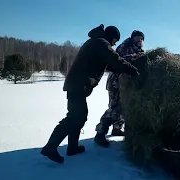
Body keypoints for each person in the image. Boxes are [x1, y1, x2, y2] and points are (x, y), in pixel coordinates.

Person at [40, 24, 140, 164]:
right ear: (112, 37)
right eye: (115, 41)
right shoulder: (101, 43)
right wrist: (134, 71)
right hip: (78, 85)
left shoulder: (97, 41)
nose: (114, 44)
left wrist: (125, 69)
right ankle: (50, 147)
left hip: (78, 85)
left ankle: (72, 147)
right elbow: (115, 60)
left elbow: (110, 64)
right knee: (74, 117)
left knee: (79, 117)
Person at [94, 30, 145, 147]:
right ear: (132, 38)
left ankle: (117, 128)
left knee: (124, 106)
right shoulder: (125, 46)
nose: (140, 40)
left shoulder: (139, 50)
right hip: (115, 82)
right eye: (138, 38)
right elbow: (121, 59)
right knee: (115, 108)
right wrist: (140, 57)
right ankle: (100, 133)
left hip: (126, 84)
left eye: (142, 39)